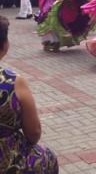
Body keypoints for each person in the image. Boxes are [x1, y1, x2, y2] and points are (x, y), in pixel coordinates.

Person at [0, 16, 58, 173]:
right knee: (46, 157)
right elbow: (34, 133)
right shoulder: (13, 82)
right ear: (5, 46)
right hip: (8, 160)